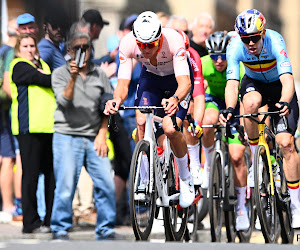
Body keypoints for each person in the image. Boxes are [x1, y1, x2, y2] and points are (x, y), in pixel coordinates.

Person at [104, 11, 195, 208]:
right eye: (141, 45)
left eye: (151, 45)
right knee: (141, 121)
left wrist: (175, 99)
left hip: (177, 80)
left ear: (160, 38)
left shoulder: (174, 41)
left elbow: (185, 82)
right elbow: (122, 83)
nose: (145, 50)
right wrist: (116, 100)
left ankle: (186, 180)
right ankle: (145, 175)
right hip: (151, 78)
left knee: (171, 129)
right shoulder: (128, 43)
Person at [219, 9, 300, 229]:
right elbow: (233, 83)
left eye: (255, 38)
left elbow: (287, 78)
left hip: (279, 87)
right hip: (255, 84)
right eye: (246, 39)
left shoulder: (275, 40)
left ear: (262, 33)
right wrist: (228, 108)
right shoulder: (235, 46)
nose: (251, 43)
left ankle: (295, 205)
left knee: (286, 143)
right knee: (250, 104)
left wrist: (284, 101)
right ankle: (256, 156)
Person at [50, 31, 117, 240]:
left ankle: (105, 227)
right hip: (66, 135)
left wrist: (103, 133)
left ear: (91, 49)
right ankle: (60, 226)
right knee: (66, 183)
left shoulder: (100, 74)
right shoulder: (60, 73)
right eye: (76, 48)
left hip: (94, 135)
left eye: (85, 47)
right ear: (69, 51)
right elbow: (64, 102)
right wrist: (73, 76)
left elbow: (108, 105)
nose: (82, 52)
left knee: (106, 181)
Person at [201, 31, 249, 230]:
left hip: (237, 105)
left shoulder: (239, 65)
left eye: (223, 56)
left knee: (237, 156)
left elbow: (247, 99)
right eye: (215, 56)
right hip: (215, 101)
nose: (219, 61)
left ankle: (241, 208)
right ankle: (210, 163)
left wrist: (245, 126)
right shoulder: (203, 64)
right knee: (207, 122)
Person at [9, 33, 55, 233]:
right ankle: (30, 222)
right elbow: (43, 80)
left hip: (48, 127)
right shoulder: (18, 66)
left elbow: (47, 79)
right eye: (25, 46)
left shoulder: (43, 65)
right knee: (31, 176)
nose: (29, 49)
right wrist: (58, 77)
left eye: (32, 46)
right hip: (28, 128)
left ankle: (51, 220)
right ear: (19, 49)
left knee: (51, 177)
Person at [0, 18, 21, 223]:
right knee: (8, 157)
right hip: (5, 110)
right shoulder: (8, 52)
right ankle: (8, 206)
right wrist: (21, 101)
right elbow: (7, 85)